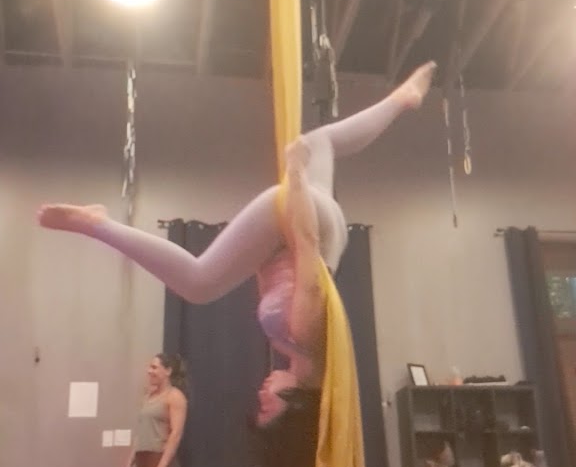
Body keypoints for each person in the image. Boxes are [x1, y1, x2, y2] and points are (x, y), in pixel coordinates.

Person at [38, 61, 434, 431]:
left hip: (314, 230)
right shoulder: (306, 336)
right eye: (268, 408)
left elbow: (272, 267)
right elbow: (307, 245)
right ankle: (98, 224)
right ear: (296, 404)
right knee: (198, 283)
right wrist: (295, 174)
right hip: (305, 222)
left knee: (320, 141)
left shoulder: (296, 352)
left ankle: (401, 99)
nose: (261, 395)